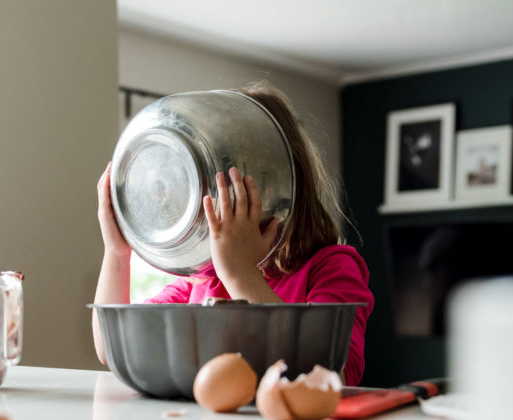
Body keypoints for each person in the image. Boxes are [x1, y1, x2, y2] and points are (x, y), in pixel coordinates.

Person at [92, 81, 373, 386]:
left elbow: (333, 378)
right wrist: (117, 254)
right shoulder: (202, 279)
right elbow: (114, 347)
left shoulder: (331, 267)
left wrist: (240, 275)